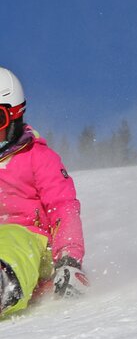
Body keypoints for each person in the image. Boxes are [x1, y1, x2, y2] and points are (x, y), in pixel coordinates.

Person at [0, 67, 87, 318]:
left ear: (15, 117)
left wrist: (68, 260)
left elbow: (63, 206)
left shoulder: (39, 158)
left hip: (36, 249)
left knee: (14, 237)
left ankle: (4, 283)